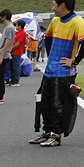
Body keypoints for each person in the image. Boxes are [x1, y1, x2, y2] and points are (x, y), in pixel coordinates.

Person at [28, 1, 84, 147]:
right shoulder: (55, 20)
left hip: (64, 72)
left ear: (62, 5)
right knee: (44, 102)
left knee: (58, 104)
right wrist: (51, 57)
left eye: (54, 4)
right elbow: (48, 38)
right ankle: (47, 132)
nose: (52, 8)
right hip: (50, 70)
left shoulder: (78, 21)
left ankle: (55, 135)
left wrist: (74, 61)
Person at [6, 19, 27, 85]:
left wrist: (10, 49)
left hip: (17, 52)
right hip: (13, 52)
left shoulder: (22, 33)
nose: (16, 26)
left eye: (17, 25)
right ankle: (12, 79)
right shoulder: (17, 32)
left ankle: (15, 80)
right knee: (12, 66)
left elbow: (18, 44)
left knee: (15, 66)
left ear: (20, 26)